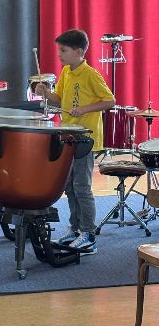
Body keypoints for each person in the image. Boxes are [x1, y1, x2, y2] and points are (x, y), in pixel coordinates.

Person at [35, 29, 115, 254]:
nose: (59, 54)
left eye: (63, 50)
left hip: (85, 138)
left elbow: (110, 100)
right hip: (68, 136)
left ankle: (89, 235)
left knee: (82, 187)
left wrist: (84, 109)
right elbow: (59, 99)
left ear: (79, 52)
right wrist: (46, 92)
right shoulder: (66, 72)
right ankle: (76, 228)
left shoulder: (90, 74)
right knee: (70, 186)